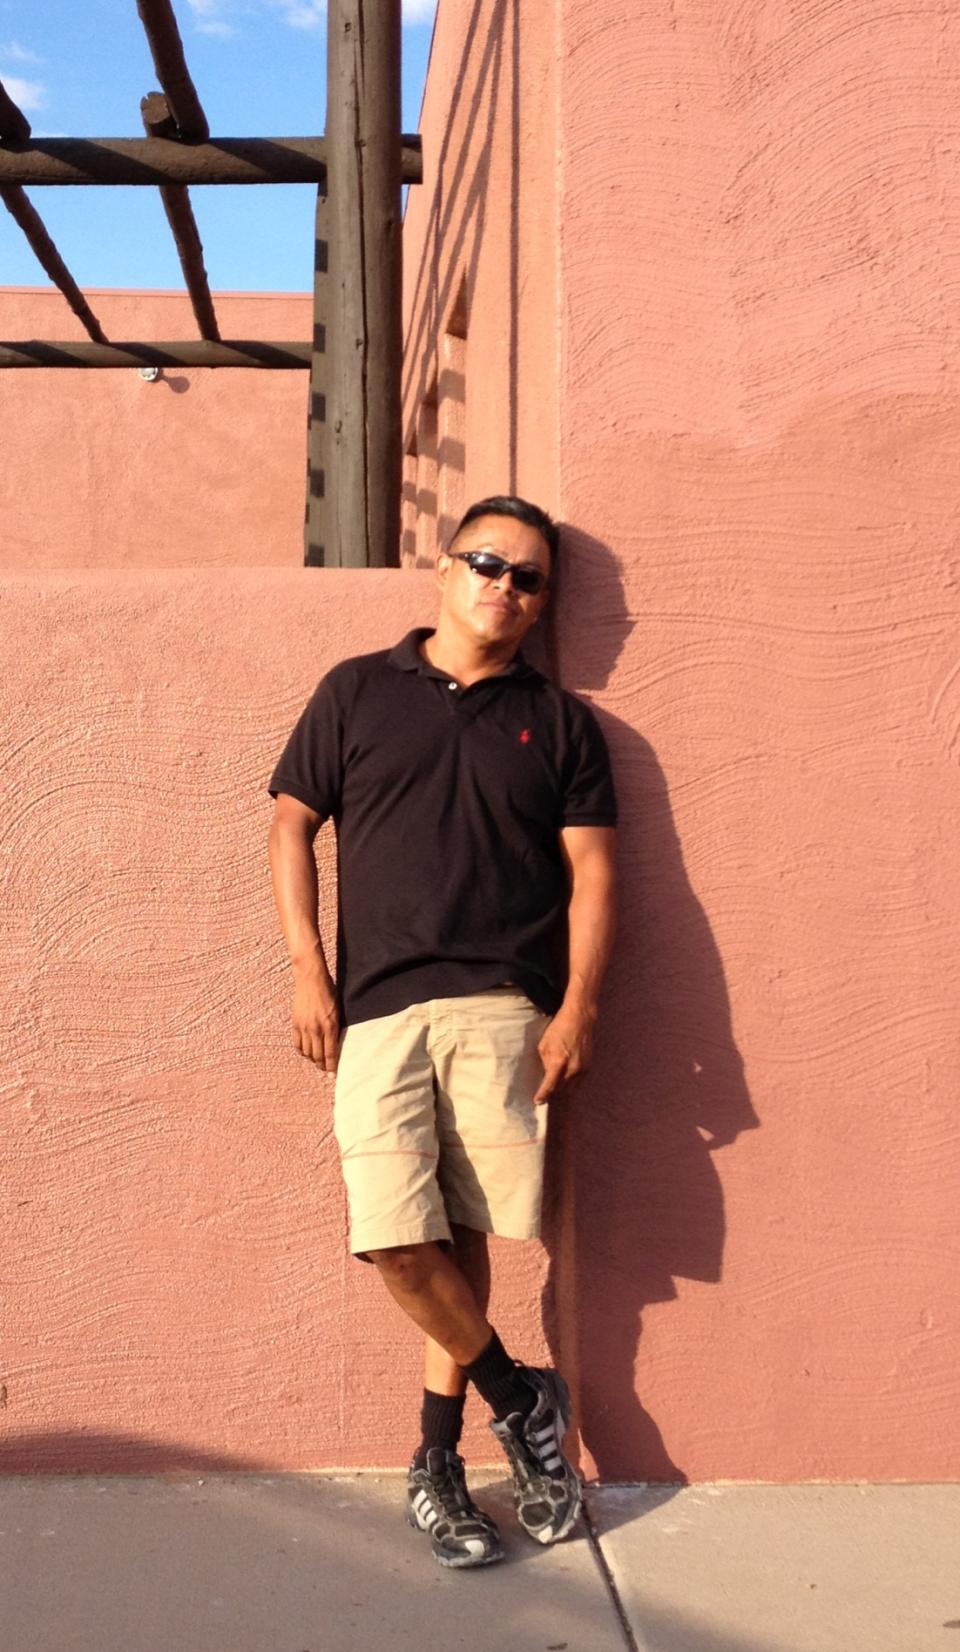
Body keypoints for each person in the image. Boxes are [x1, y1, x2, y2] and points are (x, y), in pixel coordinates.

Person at [267, 495, 617, 1569]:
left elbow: (595, 868)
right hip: (375, 1002)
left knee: (463, 1236)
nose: (505, 588)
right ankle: (523, 1401)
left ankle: (439, 1462)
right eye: (487, 563)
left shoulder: (560, 722)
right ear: (442, 567)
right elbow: (291, 820)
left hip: (503, 1006)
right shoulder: (356, 690)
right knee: (392, 1232)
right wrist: (306, 966)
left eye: (529, 578)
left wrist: (581, 1003)